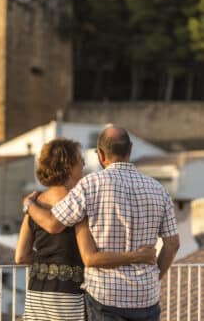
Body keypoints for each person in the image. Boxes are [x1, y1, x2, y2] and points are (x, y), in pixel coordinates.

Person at [25, 127, 180, 321]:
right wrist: (154, 276)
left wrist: (29, 205)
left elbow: (53, 225)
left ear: (100, 154)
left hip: (105, 298)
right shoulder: (159, 189)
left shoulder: (90, 185)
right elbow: (173, 243)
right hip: (146, 298)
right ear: (130, 150)